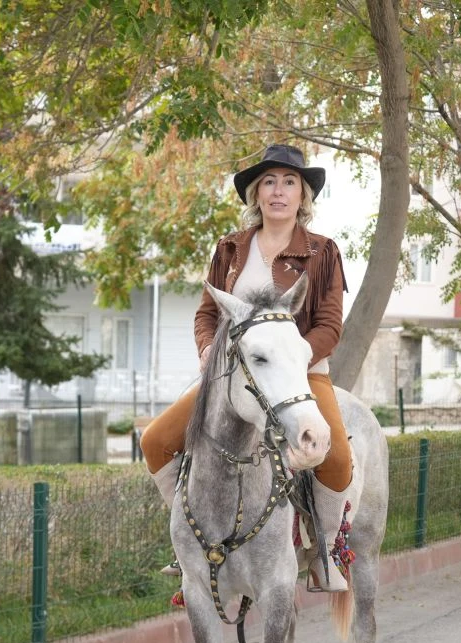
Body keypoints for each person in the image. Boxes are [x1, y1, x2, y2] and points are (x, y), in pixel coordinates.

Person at [139, 143, 353, 592]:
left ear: (302, 196)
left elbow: (331, 325)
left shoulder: (324, 251)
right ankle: (189, 546)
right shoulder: (230, 249)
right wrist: (206, 351)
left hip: (302, 373)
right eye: (269, 182)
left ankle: (324, 551)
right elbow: (205, 314)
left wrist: (293, 359)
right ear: (256, 194)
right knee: (156, 440)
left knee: (334, 458)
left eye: (289, 182)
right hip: (233, 377)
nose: (279, 192)